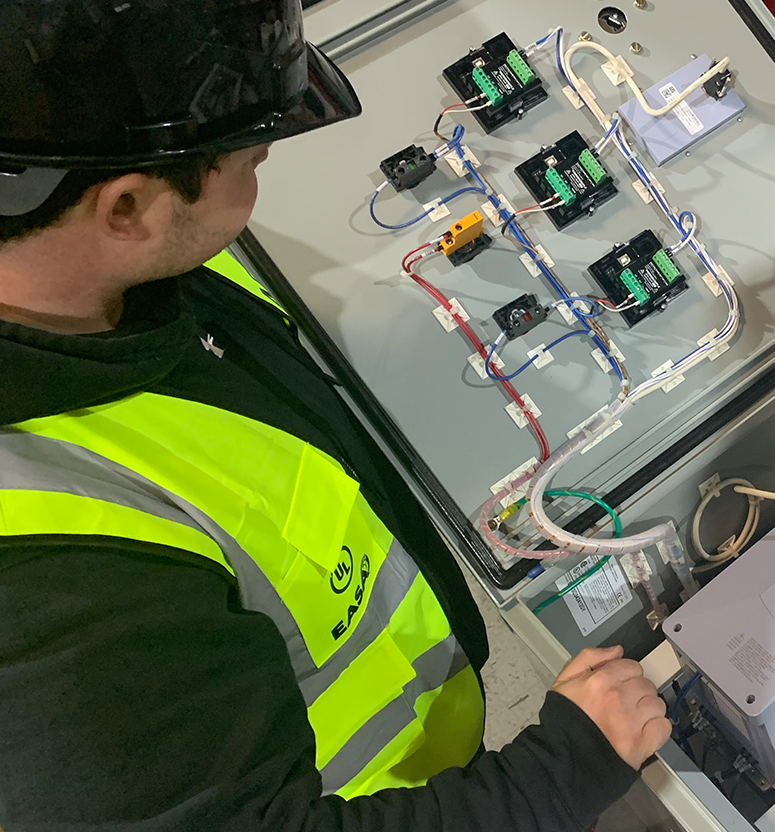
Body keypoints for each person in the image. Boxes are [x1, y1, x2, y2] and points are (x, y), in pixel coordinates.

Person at [0, 1, 671, 829]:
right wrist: (565, 769)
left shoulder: (105, 285)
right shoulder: (44, 578)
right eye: (249, 159)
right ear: (128, 210)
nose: (264, 170)